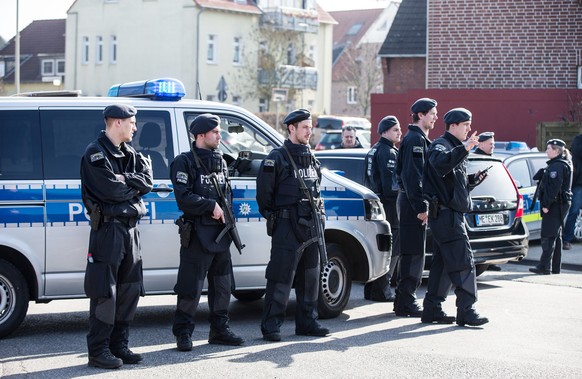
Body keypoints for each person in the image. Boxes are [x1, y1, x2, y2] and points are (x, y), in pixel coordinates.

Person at [80, 104, 153, 369]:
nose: (135, 127)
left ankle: (118, 345)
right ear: (117, 122)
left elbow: (147, 183)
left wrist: (127, 180)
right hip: (108, 230)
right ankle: (98, 350)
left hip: (130, 229)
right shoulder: (95, 153)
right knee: (105, 291)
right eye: (132, 122)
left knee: (129, 289)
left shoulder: (130, 153)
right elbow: (111, 190)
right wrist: (131, 186)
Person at [171, 113, 244, 351]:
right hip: (197, 235)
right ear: (201, 135)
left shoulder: (221, 160)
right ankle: (183, 333)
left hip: (220, 234)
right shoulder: (184, 162)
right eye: (215, 132)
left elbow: (226, 194)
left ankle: (219, 330)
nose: (219, 135)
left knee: (222, 286)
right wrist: (209, 206)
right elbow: (183, 198)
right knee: (190, 287)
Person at [256, 108, 330, 342]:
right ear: (291, 129)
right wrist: (278, 217)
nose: (310, 131)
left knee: (310, 277)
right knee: (280, 277)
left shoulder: (311, 157)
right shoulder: (276, 158)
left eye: (311, 127)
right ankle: (271, 326)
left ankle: (307, 322)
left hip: (310, 225)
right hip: (287, 226)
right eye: (305, 127)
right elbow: (264, 197)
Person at [421, 107, 489, 327]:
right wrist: (466, 148)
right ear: (454, 126)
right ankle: (467, 311)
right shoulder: (441, 145)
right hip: (447, 217)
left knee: (442, 266)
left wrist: (473, 180)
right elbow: (440, 164)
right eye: (466, 125)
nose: (469, 129)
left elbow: (451, 183)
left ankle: (432, 309)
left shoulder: (455, 148)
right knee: (463, 263)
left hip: (450, 215)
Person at [393, 98, 438, 317]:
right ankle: (406, 301)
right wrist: (421, 206)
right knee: (412, 253)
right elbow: (413, 177)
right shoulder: (414, 140)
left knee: (415, 253)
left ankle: (404, 300)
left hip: (412, 201)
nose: (435, 117)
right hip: (412, 203)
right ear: (421, 115)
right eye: (432, 113)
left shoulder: (418, 139)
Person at [363, 116, 402, 302]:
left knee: (378, 246)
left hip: (374, 206)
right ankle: (383, 289)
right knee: (392, 247)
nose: (400, 133)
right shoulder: (388, 152)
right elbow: (391, 186)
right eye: (396, 130)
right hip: (388, 206)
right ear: (385, 131)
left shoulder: (373, 150)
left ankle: (371, 289)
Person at [529, 139, 572, 275]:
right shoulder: (558, 164)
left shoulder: (557, 166)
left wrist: (546, 205)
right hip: (559, 204)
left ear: (557, 151)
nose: (546, 151)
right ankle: (554, 267)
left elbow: (554, 188)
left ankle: (544, 266)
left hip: (555, 205)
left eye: (549, 148)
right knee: (555, 236)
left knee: (548, 235)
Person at [473, 132, 502, 271]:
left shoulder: (492, 159)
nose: (493, 147)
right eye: (490, 144)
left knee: (492, 232)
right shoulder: (474, 159)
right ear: (481, 143)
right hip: (477, 200)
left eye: (494, 144)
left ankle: (491, 260)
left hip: (492, 200)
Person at [562, 134, 582, 250]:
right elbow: (577, 152)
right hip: (579, 183)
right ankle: (567, 240)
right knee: (574, 211)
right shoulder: (578, 140)